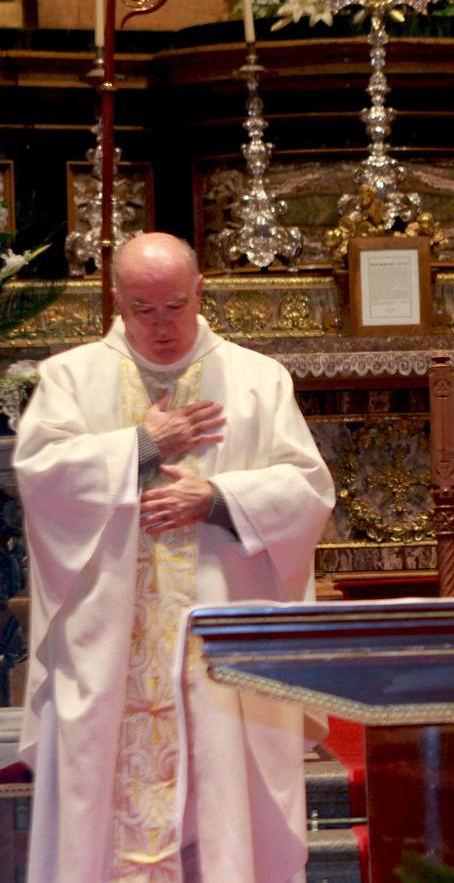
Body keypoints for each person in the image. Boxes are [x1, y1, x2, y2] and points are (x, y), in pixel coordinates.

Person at [14, 233, 335, 882]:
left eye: (175, 306)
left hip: (222, 650)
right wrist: (140, 445)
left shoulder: (256, 379)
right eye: (143, 309)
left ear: (200, 292)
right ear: (117, 301)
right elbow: (42, 476)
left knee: (227, 813)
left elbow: (308, 490)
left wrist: (216, 500)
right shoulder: (71, 378)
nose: (161, 326)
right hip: (110, 653)